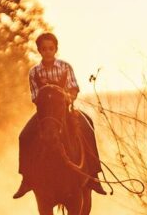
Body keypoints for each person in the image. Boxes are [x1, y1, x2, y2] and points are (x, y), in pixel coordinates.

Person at [13, 32, 106, 199]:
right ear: (39, 51)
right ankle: (26, 179)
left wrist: (67, 97)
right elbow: (35, 96)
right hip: (45, 114)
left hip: (65, 110)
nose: (47, 51)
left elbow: (73, 87)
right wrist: (47, 101)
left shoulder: (65, 67)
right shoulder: (34, 72)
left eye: (50, 48)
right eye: (44, 49)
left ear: (55, 49)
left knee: (88, 125)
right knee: (24, 136)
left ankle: (93, 174)